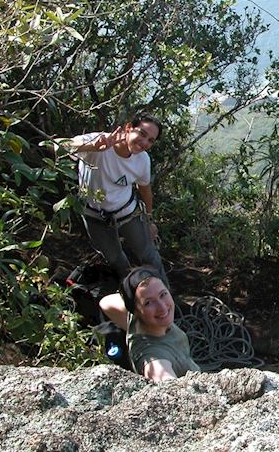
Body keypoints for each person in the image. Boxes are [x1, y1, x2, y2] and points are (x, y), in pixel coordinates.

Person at [67, 115, 168, 284]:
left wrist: (149, 220)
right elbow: (56, 146)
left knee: (149, 255)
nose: (144, 142)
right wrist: (93, 147)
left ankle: (165, 295)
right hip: (94, 215)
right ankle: (132, 293)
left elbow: (144, 188)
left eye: (150, 140)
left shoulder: (143, 159)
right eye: (142, 134)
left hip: (127, 212)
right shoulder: (99, 141)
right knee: (115, 259)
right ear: (128, 128)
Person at [100, 266, 200, 381]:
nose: (162, 307)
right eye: (148, 302)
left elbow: (105, 302)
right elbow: (162, 379)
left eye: (163, 294)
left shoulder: (137, 321)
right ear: (136, 311)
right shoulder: (153, 357)